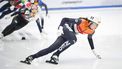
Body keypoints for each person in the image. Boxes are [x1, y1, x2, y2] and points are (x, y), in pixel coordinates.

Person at [20, 16, 101, 65]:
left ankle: (31, 57)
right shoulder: (82, 21)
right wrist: (60, 28)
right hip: (65, 28)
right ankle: (56, 54)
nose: (95, 27)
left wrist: (94, 51)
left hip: (69, 35)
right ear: (89, 22)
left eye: (96, 26)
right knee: (74, 39)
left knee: (51, 48)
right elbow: (65, 19)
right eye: (94, 24)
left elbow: (90, 39)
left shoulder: (92, 31)